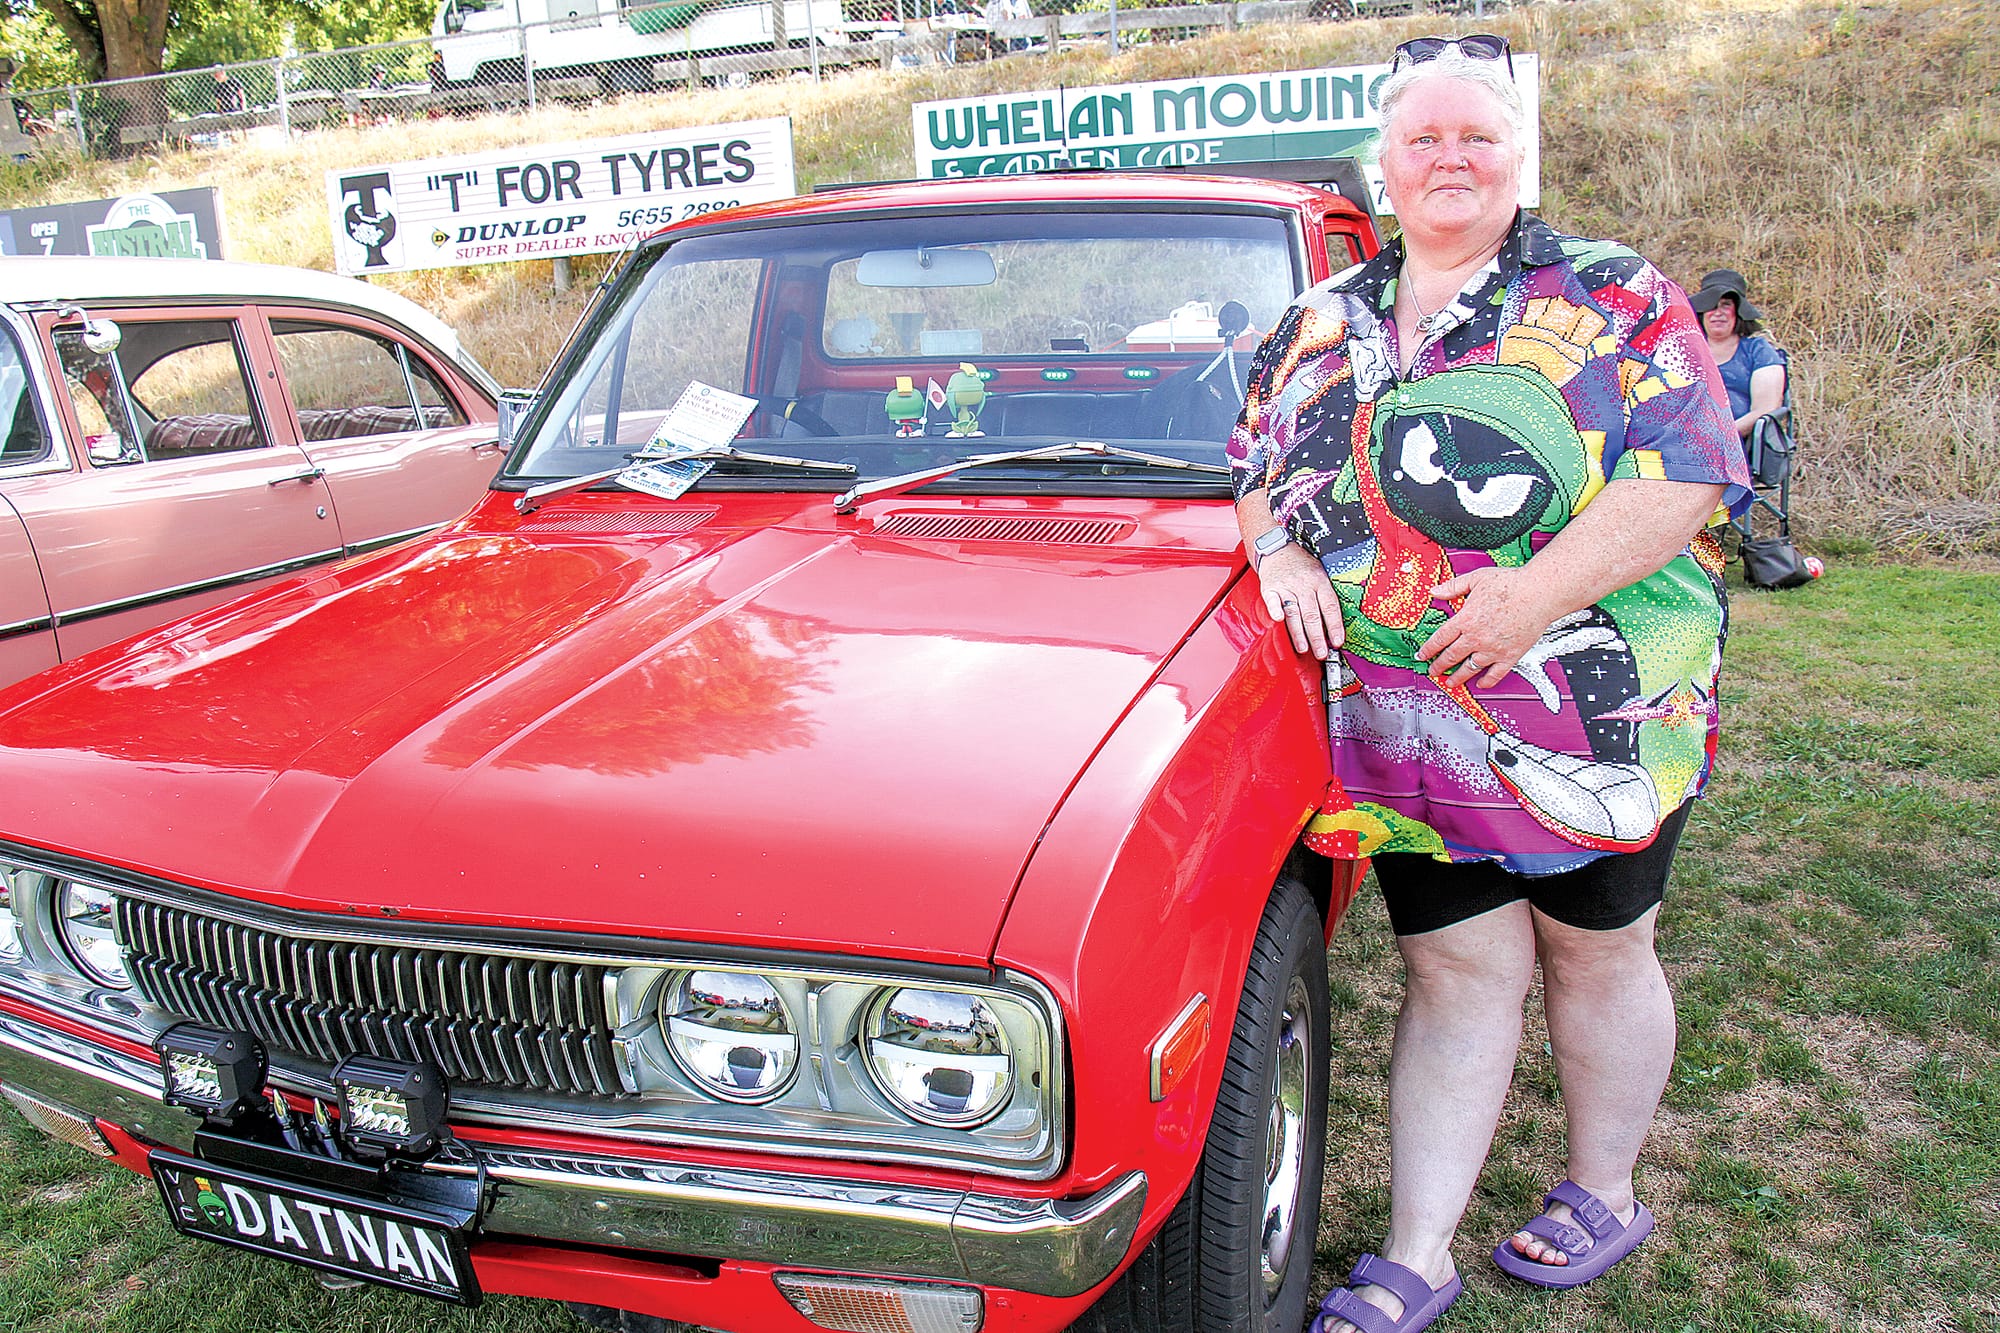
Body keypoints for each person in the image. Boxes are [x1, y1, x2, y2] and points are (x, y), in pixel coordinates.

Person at [1226, 34, 1753, 1333]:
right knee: (1455, 971)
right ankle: (1419, 1250)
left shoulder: (1616, 294)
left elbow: (1687, 472)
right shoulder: (1323, 317)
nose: (1450, 157)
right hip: (1410, 732)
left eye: (1478, 135)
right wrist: (1279, 543)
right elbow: (1251, 458)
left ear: (1521, 153)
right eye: (1425, 138)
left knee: (1595, 951)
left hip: (1600, 713)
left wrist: (1533, 596)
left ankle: (1606, 1187)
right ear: (1384, 163)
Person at [1690, 267, 1786, 440]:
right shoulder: (1684, 350)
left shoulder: (1758, 351)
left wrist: (1721, 438)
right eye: (1711, 305)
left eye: (1726, 305)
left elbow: (1766, 409)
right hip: (1682, 445)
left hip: (1738, 449)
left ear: (1739, 312)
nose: (1717, 313)